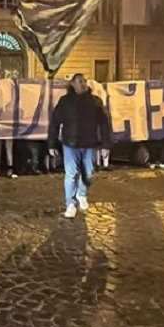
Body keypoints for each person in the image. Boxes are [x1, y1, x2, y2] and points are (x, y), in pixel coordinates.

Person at [48, 73, 112, 219]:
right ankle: (70, 204)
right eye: (79, 81)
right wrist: (51, 143)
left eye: (84, 81)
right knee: (71, 174)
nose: (83, 84)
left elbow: (104, 124)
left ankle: (81, 194)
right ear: (72, 84)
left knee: (88, 173)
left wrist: (105, 145)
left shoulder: (95, 101)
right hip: (70, 143)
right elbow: (55, 123)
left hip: (89, 143)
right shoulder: (65, 102)